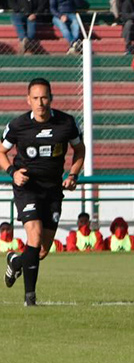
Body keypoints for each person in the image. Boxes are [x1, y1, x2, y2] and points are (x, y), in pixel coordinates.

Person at [1, 78, 85, 306]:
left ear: (51, 98)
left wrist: (73, 175)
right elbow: (1, 151)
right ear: (28, 100)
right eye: (36, 98)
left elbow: (79, 150)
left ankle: (16, 261)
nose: (40, 103)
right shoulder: (18, 125)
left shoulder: (66, 123)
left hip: (53, 190)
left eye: (44, 97)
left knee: (41, 251)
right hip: (27, 188)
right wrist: (12, 172)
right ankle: (30, 299)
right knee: (35, 236)